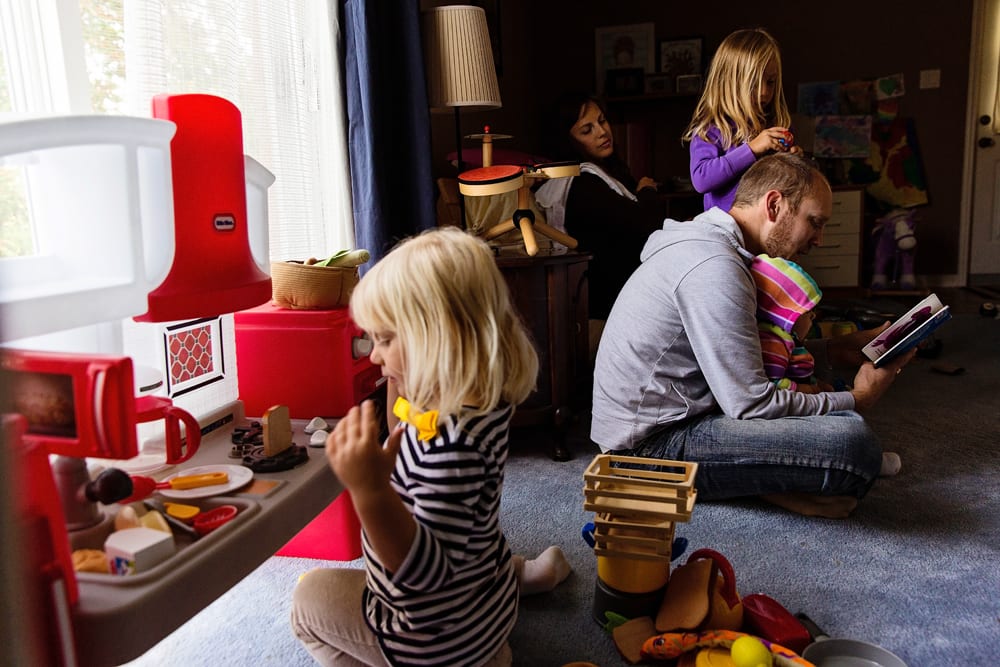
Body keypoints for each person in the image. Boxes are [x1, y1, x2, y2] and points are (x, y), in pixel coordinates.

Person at [291, 227, 571, 666]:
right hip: (485, 605)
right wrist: (400, 377)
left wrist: (370, 491)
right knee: (470, 533)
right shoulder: (482, 402)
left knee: (308, 599)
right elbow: (404, 412)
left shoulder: (450, 451)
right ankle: (522, 583)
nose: (374, 357)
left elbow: (422, 573)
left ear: (436, 342)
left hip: (433, 638)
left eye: (385, 340)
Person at [590, 153, 913, 519]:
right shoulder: (715, 266)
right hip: (646, 453)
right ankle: (766, 488)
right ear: (774, 204)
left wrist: (835, 351)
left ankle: (766, 484)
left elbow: (750, 357)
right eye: (814, 222)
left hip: (684, 417)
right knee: (854, 445)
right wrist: (857, 398)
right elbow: (751, 404)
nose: (819, 239)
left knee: (836, 424)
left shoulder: (719, 251)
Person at [535, 92, 664, 344]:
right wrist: (647, 191)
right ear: (568, 140)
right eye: (587, 130)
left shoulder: (604, 174)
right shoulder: (582, 183)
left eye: (602, 121)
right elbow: (646, 225)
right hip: (605, 309)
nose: (602, 132)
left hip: (625, 299)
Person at [683, 28, 800, 213]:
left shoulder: (776, 124)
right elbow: (701, 179)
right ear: (729, 81)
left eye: (770, 82)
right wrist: (752, 149)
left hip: (768, 233)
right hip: (726, 234)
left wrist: (795, 162)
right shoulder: (712, 129)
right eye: (754, 83)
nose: (764, 92)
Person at [750, 253, 826, 393]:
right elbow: (774, 384)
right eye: (808, 311)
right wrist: (807, 390)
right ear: (788, 314)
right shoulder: (773, 343)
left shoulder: (786, 338)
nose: (813, 316)